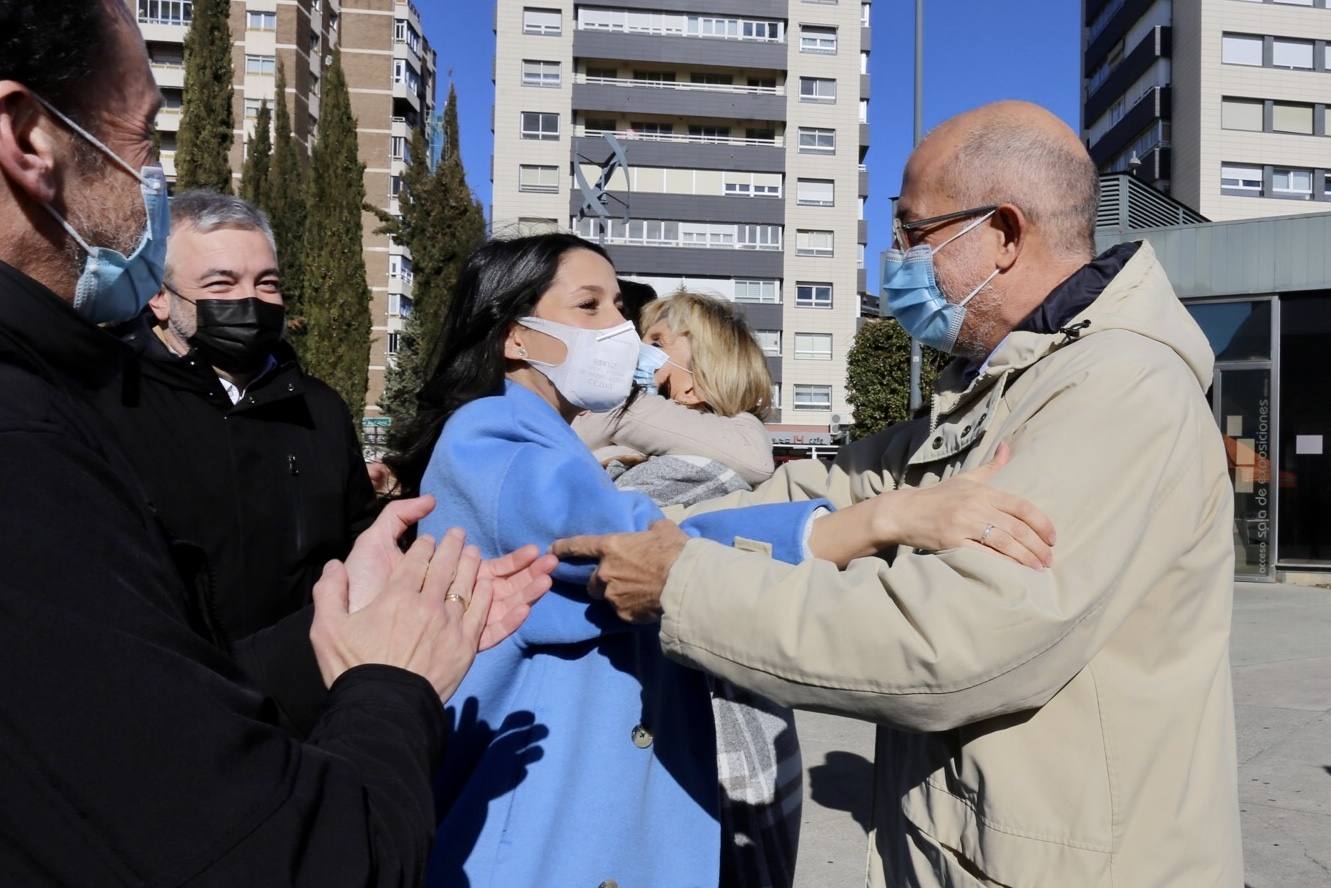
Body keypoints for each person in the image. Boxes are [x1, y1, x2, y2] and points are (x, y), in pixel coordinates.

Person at [554, 101, 1243, 887]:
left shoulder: (1117, 390)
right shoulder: (998, 385)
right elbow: (816, 485)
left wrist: (682, 586)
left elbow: (946, 640)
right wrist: (627, 527)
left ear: (1004, 234)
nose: (894, 257)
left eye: (914, 233)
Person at [0, 2, 554, 883]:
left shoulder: (318, 410)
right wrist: (389, 676)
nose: (147, 175)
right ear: (30, 137)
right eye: (142, 134)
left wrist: (362, 603)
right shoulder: (67, 419)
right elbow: (276, 849)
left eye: (265, 283)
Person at [386, 234, 1054, 887]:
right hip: (543, 824)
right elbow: (643, 548)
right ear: (513, 336)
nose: (620, 328)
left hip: (584, 807)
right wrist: (882, 519)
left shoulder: (540, 439)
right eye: (589, 307)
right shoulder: (492, 436)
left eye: (618, 305)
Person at [97, 189, 378, 733]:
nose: (250, 301)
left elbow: (353, 547)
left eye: (266, 283)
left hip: (306, 711)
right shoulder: (107, 402)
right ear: (159, 296)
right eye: (220, 284)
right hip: (163, 719)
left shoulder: (318, 409)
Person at [578, 290, 802, 888]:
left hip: (698, 739)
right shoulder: (647, 455)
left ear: (699, 377)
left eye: (653, 346)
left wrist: (614, 413)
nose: (636, 357)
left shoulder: (707, 469)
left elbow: (578, 527)